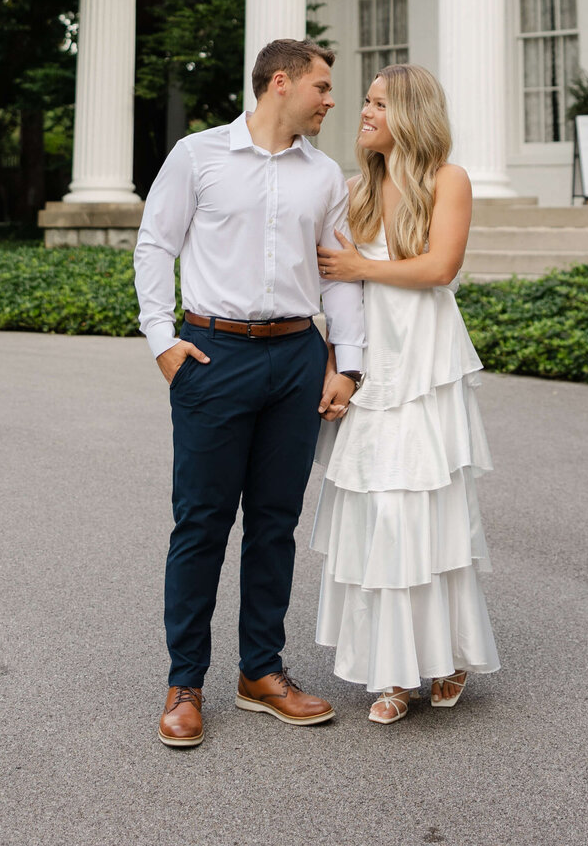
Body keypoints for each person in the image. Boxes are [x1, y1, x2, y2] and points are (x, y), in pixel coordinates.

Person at [134, 37, 366, 749]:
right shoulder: (198, 156)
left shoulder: (325, 176)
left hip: (297, 356)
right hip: (215, 354)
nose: (332, 99)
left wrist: (346, 364)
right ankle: (185, 683)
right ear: (281, 84)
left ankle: (261, 673)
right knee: (201, 522)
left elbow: (337, 274)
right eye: (322, 87)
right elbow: (155, 243)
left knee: (275, 522)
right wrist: (162, 341)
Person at [314, 63, 500, 723]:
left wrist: (364, 264)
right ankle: (392, 673)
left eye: (377, 103)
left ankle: (445, 657)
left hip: (424, 362)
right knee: (377, 512)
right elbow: (339, 295)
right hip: (371, 363)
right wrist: (337, 364)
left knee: (426, 509)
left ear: (410, 114)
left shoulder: (448, 180)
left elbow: (440, 266)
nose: (362, 112)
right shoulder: (355, 188)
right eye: (364, 101)